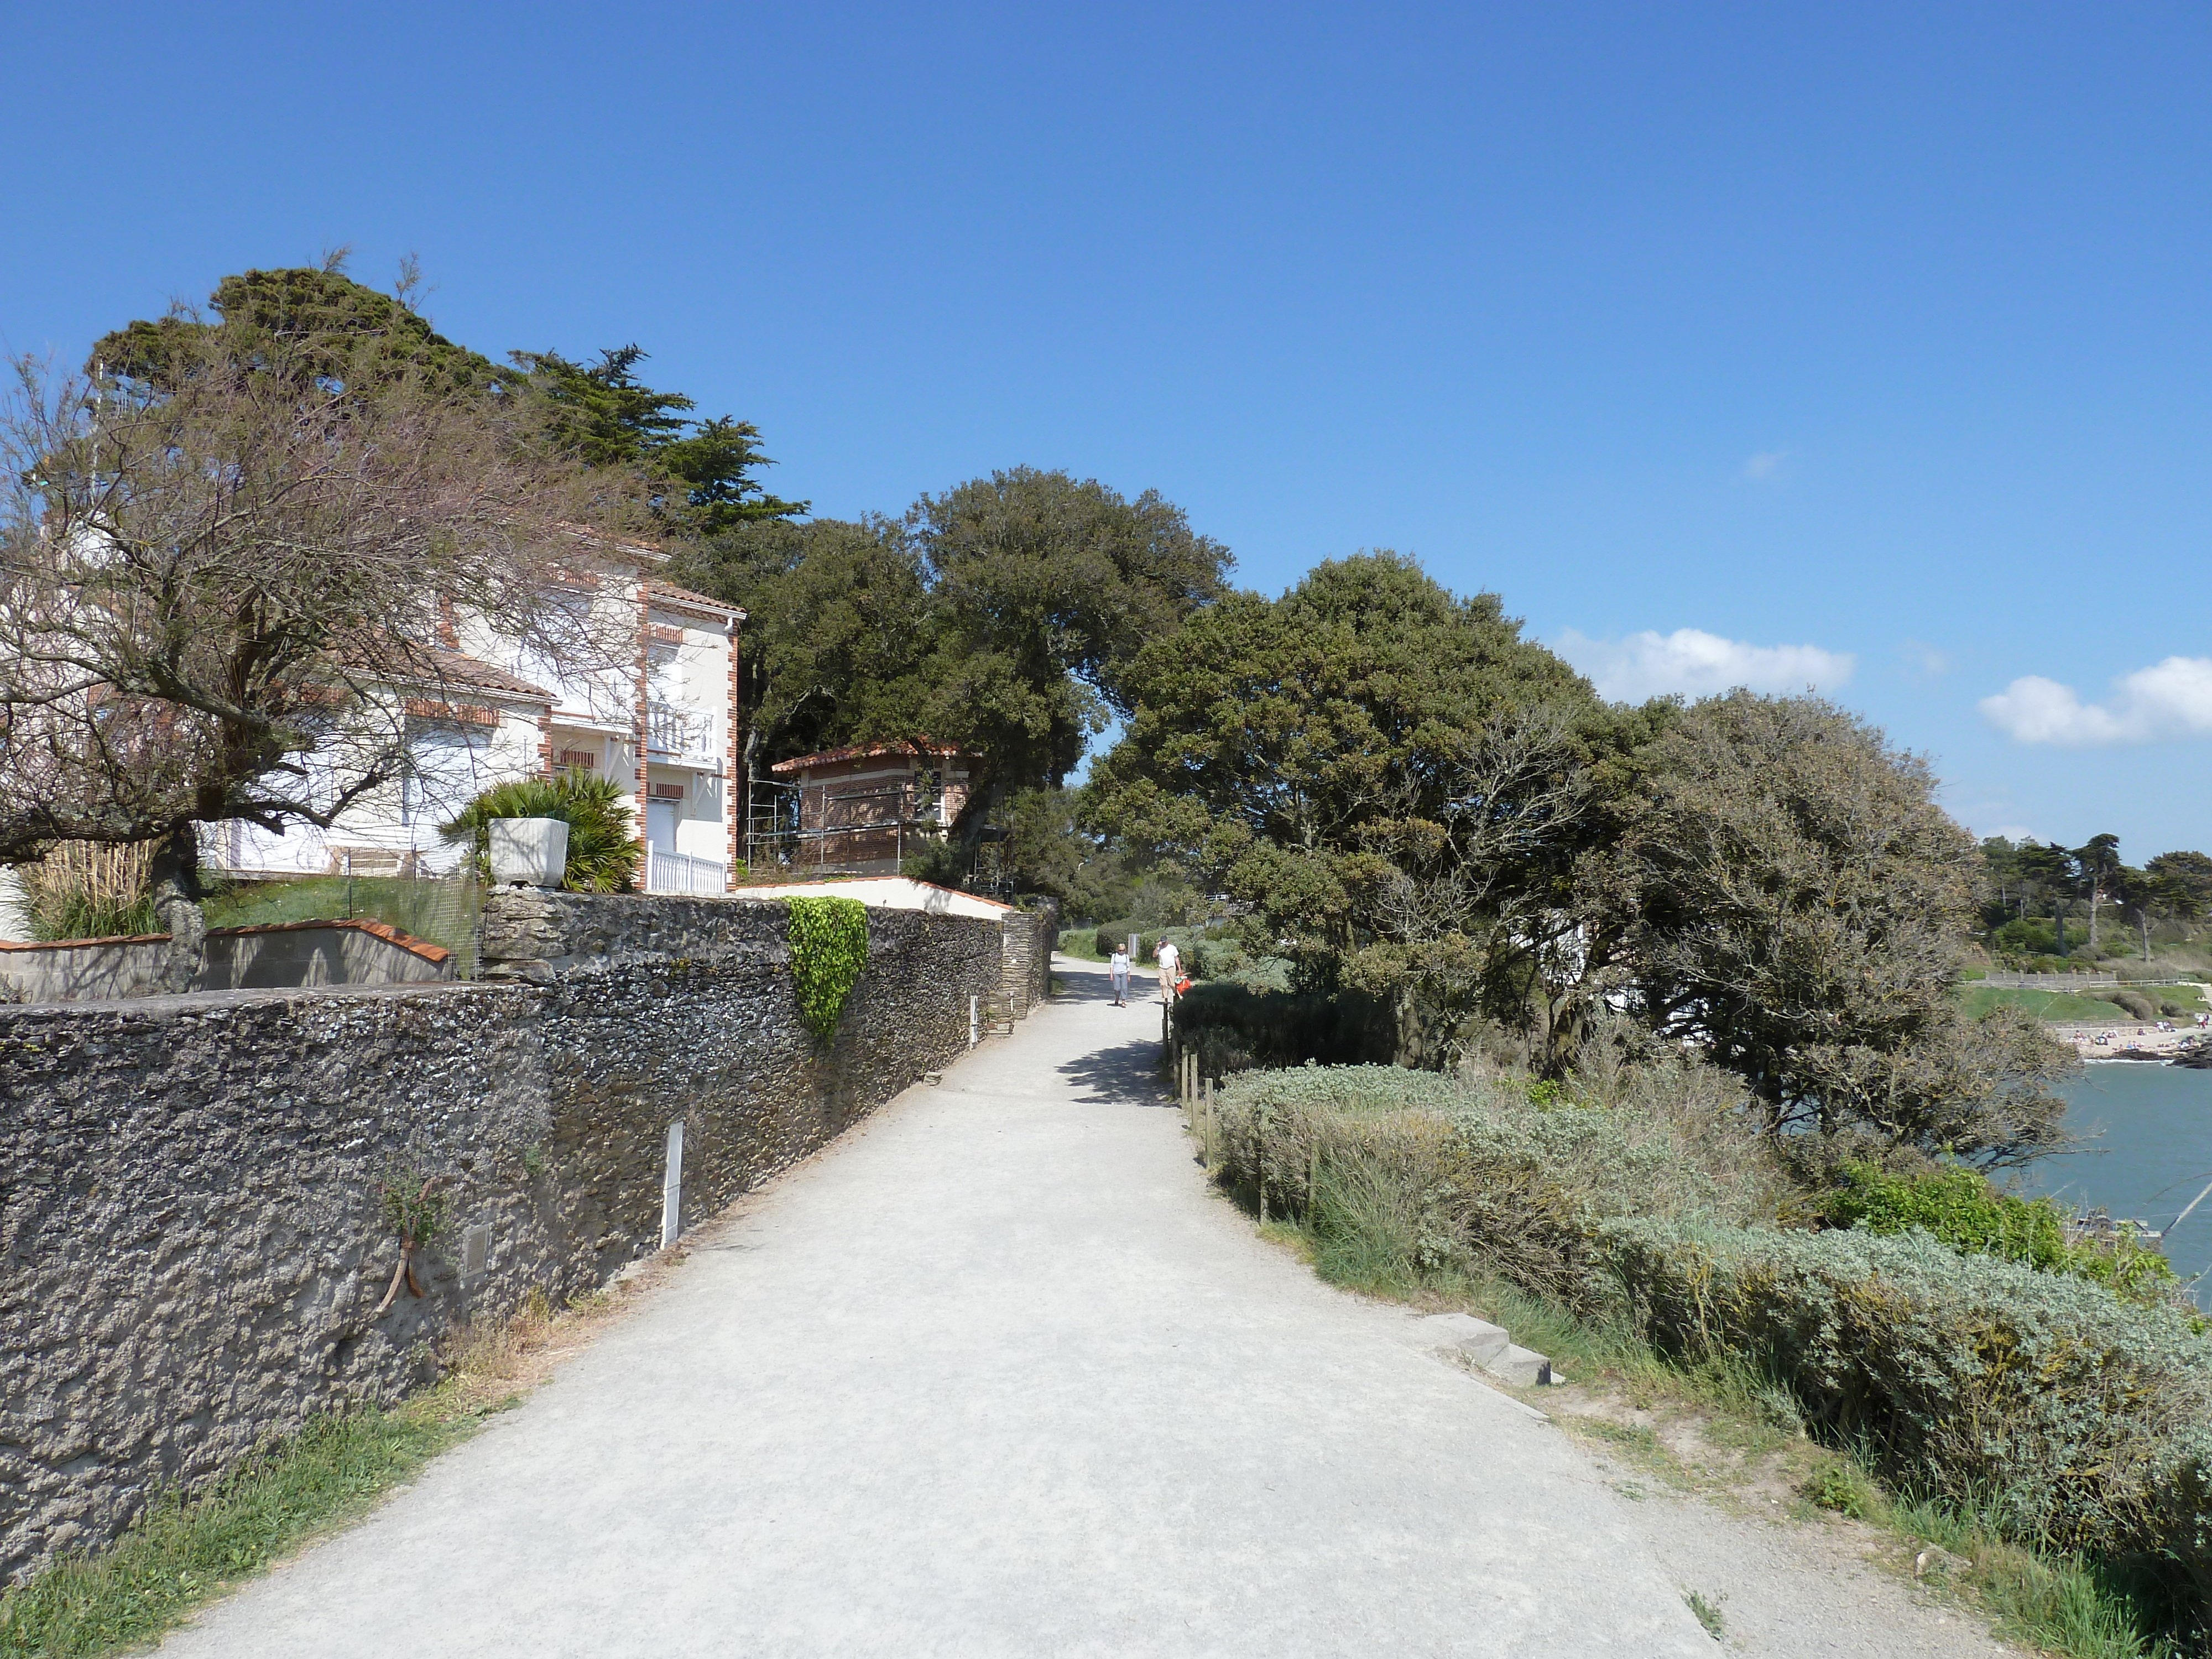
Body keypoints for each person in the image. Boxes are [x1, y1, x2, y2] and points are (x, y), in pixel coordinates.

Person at [1156, 936, 1182, 1004]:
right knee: (1163, 984)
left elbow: (1177, 959)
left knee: (1172, 984)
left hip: (1171, 968)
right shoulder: (1159, 948)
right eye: (1163, 942)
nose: (1164, 944)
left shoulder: (1172, 948)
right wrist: (1157, 947)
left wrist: (1179, 969)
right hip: (1162, 968)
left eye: (1165, 942)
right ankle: (1166, 999)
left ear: (1168, 941)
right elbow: (1154, 955)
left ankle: (1176, 995)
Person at [1108, 942, 1131, 1006]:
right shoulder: (1115, 955)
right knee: (1117, 988)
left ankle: (1123, 1000)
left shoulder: (1126, 956)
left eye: (1123, 950)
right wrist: (1111, 975)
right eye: (1120, 950)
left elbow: (1128, 967)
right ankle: (1117, 997)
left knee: (1124, 988)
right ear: (1118, 950)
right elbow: (1112, 966)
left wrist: (1129, 976)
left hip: (1124, 973)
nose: (1122, 952)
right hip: (1116, 973)